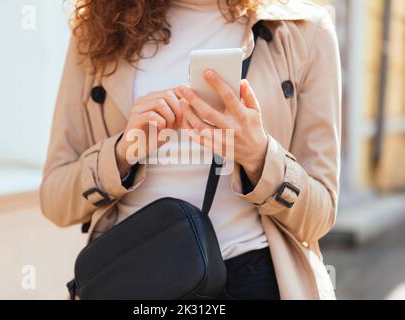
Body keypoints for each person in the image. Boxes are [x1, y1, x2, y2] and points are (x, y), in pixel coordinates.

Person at [41, 0, 341, 300]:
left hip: (253, 276)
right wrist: (120, 154)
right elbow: (55, 200)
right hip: (134, 277)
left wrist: (259, 156)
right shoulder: (97, 28)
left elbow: (320, 215)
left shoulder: (305, 29)